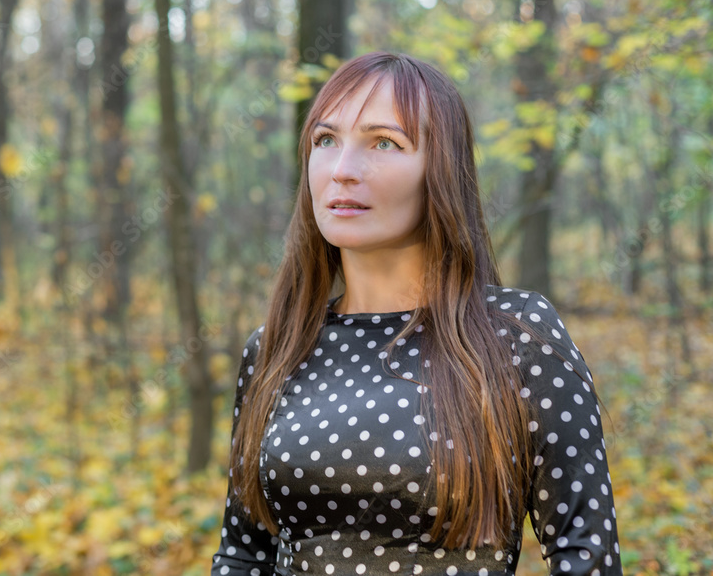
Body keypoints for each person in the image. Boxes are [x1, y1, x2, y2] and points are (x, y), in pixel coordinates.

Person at [209, 52, 621, 575]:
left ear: (440, 171)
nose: (342, 170)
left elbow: (585, 555)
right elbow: (243, 554)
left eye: (384, 142)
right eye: (326, 140)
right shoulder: (276, 348)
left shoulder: (515, 336)